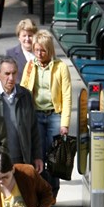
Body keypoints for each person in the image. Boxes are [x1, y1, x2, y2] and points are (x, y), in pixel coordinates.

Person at [20, 29, 72, 198]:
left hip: (54, 115)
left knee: (54, 158)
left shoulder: (60, 67)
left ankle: (52, 193)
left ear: (49, 50)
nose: (39, 54)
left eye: (43, 50)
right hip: (36, 115)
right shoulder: (30, 66)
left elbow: (66, 95)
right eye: (36, 50)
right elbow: (22, 90)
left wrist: (64, 123)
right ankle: (40, 193)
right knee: (38, 156)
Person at [0, 56, 42, 170]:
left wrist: (37, 156)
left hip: (21, 158)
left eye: (14, 73)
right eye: (7, 74)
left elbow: (34, 128)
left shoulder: (25, 95)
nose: (11, 78)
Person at [0, 17, 38, 85]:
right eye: (24, 36)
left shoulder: (41, 52)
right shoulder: (11, 54)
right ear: (19, 37)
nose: (27, 39)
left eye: (30, 36)